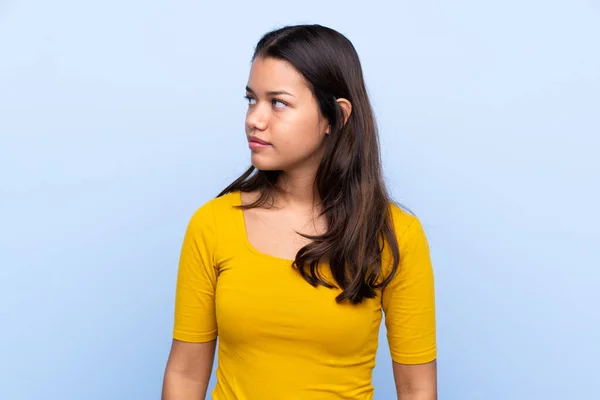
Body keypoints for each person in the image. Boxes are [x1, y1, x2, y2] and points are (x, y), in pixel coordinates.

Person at [162, 24, 437, 400]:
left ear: (335, 117)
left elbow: (417, 389)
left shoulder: (395, 235)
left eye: (278, 102)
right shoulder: (213, 223)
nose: (254, 119)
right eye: (251, 100)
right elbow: (185, 373)